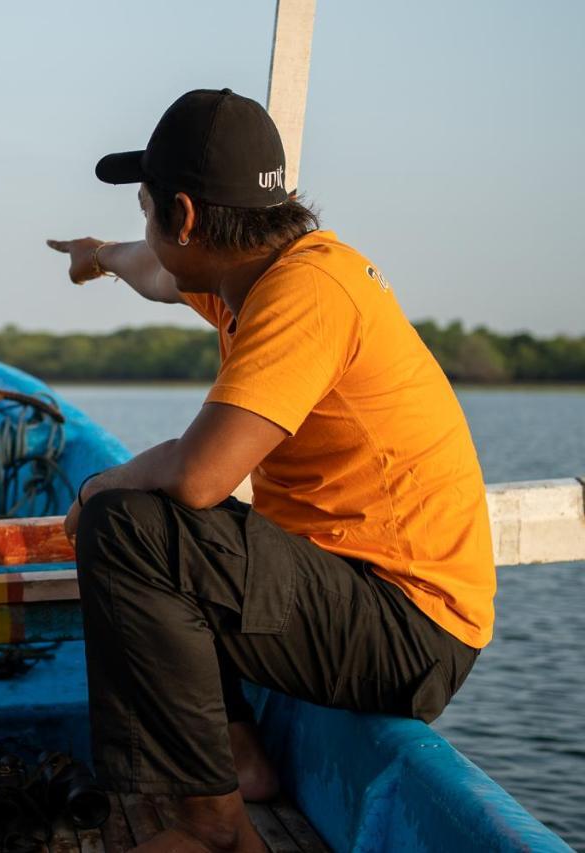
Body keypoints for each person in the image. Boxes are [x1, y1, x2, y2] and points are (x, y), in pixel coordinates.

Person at [47, 89, 495, 853]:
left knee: (132, 526)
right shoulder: (253, 272)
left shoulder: (304, 292)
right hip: (358, 591)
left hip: (408, 626)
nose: (145, 233)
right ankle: (241, 760)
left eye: (146, 211)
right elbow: (158, 273)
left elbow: (199, 476)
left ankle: (216, 828)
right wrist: (100, 257)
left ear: (184, 216)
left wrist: (94, 488)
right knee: (162, 523)